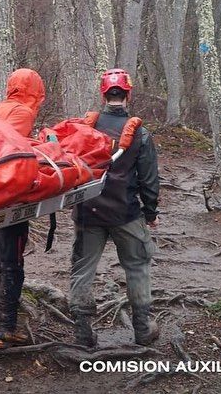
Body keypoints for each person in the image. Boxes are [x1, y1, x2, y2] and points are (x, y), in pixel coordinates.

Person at [69, 68, 160, 347]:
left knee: (82, 269)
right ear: (128, 93)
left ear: (103, 94)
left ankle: (83, 333)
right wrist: (151, 212)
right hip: (126, 212)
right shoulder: (141, 134)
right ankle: (143, 329)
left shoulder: (85, 129)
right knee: (137, 266)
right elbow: (149, 179)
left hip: (88, 211)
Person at [0, 68, 45, 349]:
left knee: (0, 249)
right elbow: (13, 154)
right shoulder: (23, 114)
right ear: (35, 91)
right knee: (13, 261)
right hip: (8, 196)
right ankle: (6, 328)